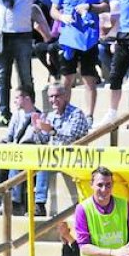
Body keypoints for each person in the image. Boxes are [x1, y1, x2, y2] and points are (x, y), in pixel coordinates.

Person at [51, 0, 108, 122]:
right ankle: (63, 114)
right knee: (66, 80)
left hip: (89, 38)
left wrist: (89, 7)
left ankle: (89, 116)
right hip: (68, 39)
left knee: (89, 79)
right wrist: (62, 17)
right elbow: (53, 10)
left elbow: (105, 6)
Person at [0, 90, 44, 216]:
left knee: (15, 164)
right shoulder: (17, 115)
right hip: (14, 151)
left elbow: (37, 140)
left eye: (17, 97)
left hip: (28, 154)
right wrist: (2, 143)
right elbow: (9, 136)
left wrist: (36, 131)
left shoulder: (39, 116)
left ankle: (14, 202)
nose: (14, 101)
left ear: (27, 98)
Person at [31, 84, 91, 214]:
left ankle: (39, 202)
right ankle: (37, 204)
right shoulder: (50, 115)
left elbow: (72, 137)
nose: (53, 100)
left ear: (65, 96)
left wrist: (52, 131)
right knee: (37, 163)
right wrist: (37, 130)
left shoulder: (76, 114)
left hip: (74, 156)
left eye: (57, 96)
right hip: (55, 158)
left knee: (45, 161)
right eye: (51, 97)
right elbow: (43, 141)